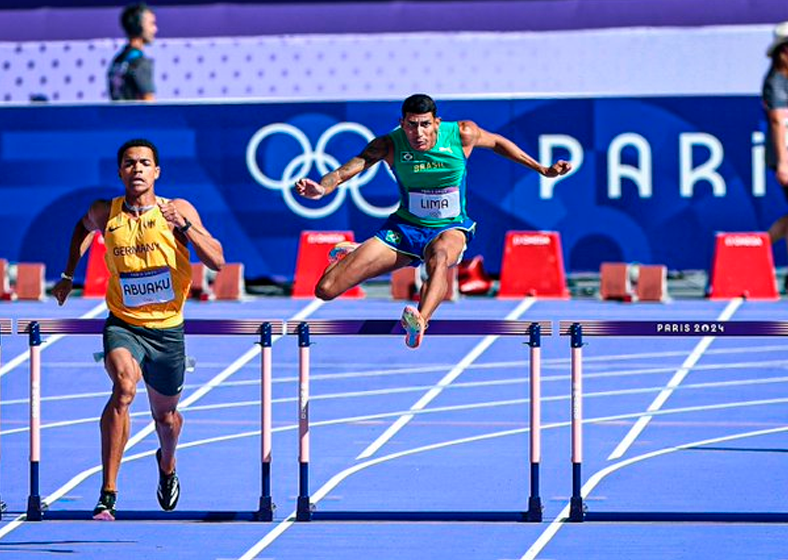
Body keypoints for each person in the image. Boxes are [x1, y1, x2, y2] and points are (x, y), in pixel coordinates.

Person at [295, 93, 572, 349]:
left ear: (436, 122)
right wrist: (323, 187)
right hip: (404, 228)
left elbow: (498, 143)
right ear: (402, 123)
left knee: (439, 257)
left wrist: (542, 169)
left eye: (425, 125)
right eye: (412, 125)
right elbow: (346, 171)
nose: (418, 133)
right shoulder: (389, 144)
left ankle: (419, 321)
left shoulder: (462, 133)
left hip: (451, 227)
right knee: (325, 290)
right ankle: (357, 252)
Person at [52, 138, 225, 520]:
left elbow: (217, 261)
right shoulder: (105, 212)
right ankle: (108, 493)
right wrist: (68, 274)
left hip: (167, 329)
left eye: (145, 163)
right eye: (129, 163)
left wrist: (187, 229)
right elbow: (81, 229)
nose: (137, 169)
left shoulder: (176, 210)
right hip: (123, 323)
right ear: (120, 171)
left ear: (157, 172)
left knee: (166, 419)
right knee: (124, 388)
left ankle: (167, 464)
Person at [763, 22, 788, 289]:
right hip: (786, 158)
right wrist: (784, 163)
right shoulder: (776, 82)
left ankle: (753, 250)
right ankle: (753, 249)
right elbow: (779, 123)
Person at [107, 2, 157, 101]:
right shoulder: (139, 62)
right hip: (136, 116)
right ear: (138, 26)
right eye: (151, 24)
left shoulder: (118, 60)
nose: (155, 29)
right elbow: (149, 104)